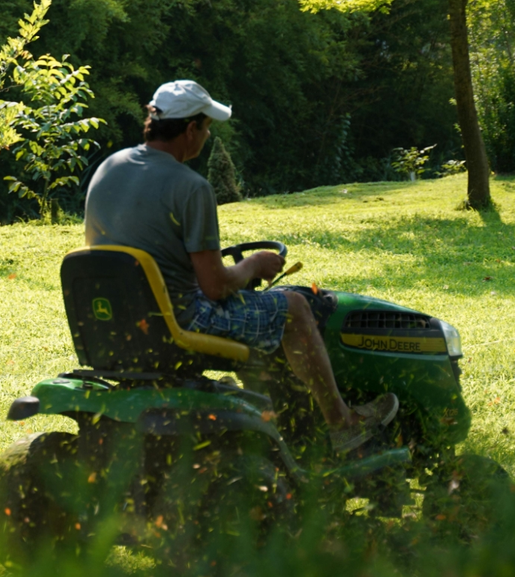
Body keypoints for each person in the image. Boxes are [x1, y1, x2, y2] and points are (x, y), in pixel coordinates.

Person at [83, 79, 398, 453]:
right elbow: (216, 287)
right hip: (180, 322)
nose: (207, 135)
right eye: (207, 127)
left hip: (117, 322)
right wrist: (254, 264)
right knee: (294, 307)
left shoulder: (108, 168)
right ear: (190, 130)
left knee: (258, 310)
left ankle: (275, 421)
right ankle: (342, 423)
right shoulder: (191, 186)